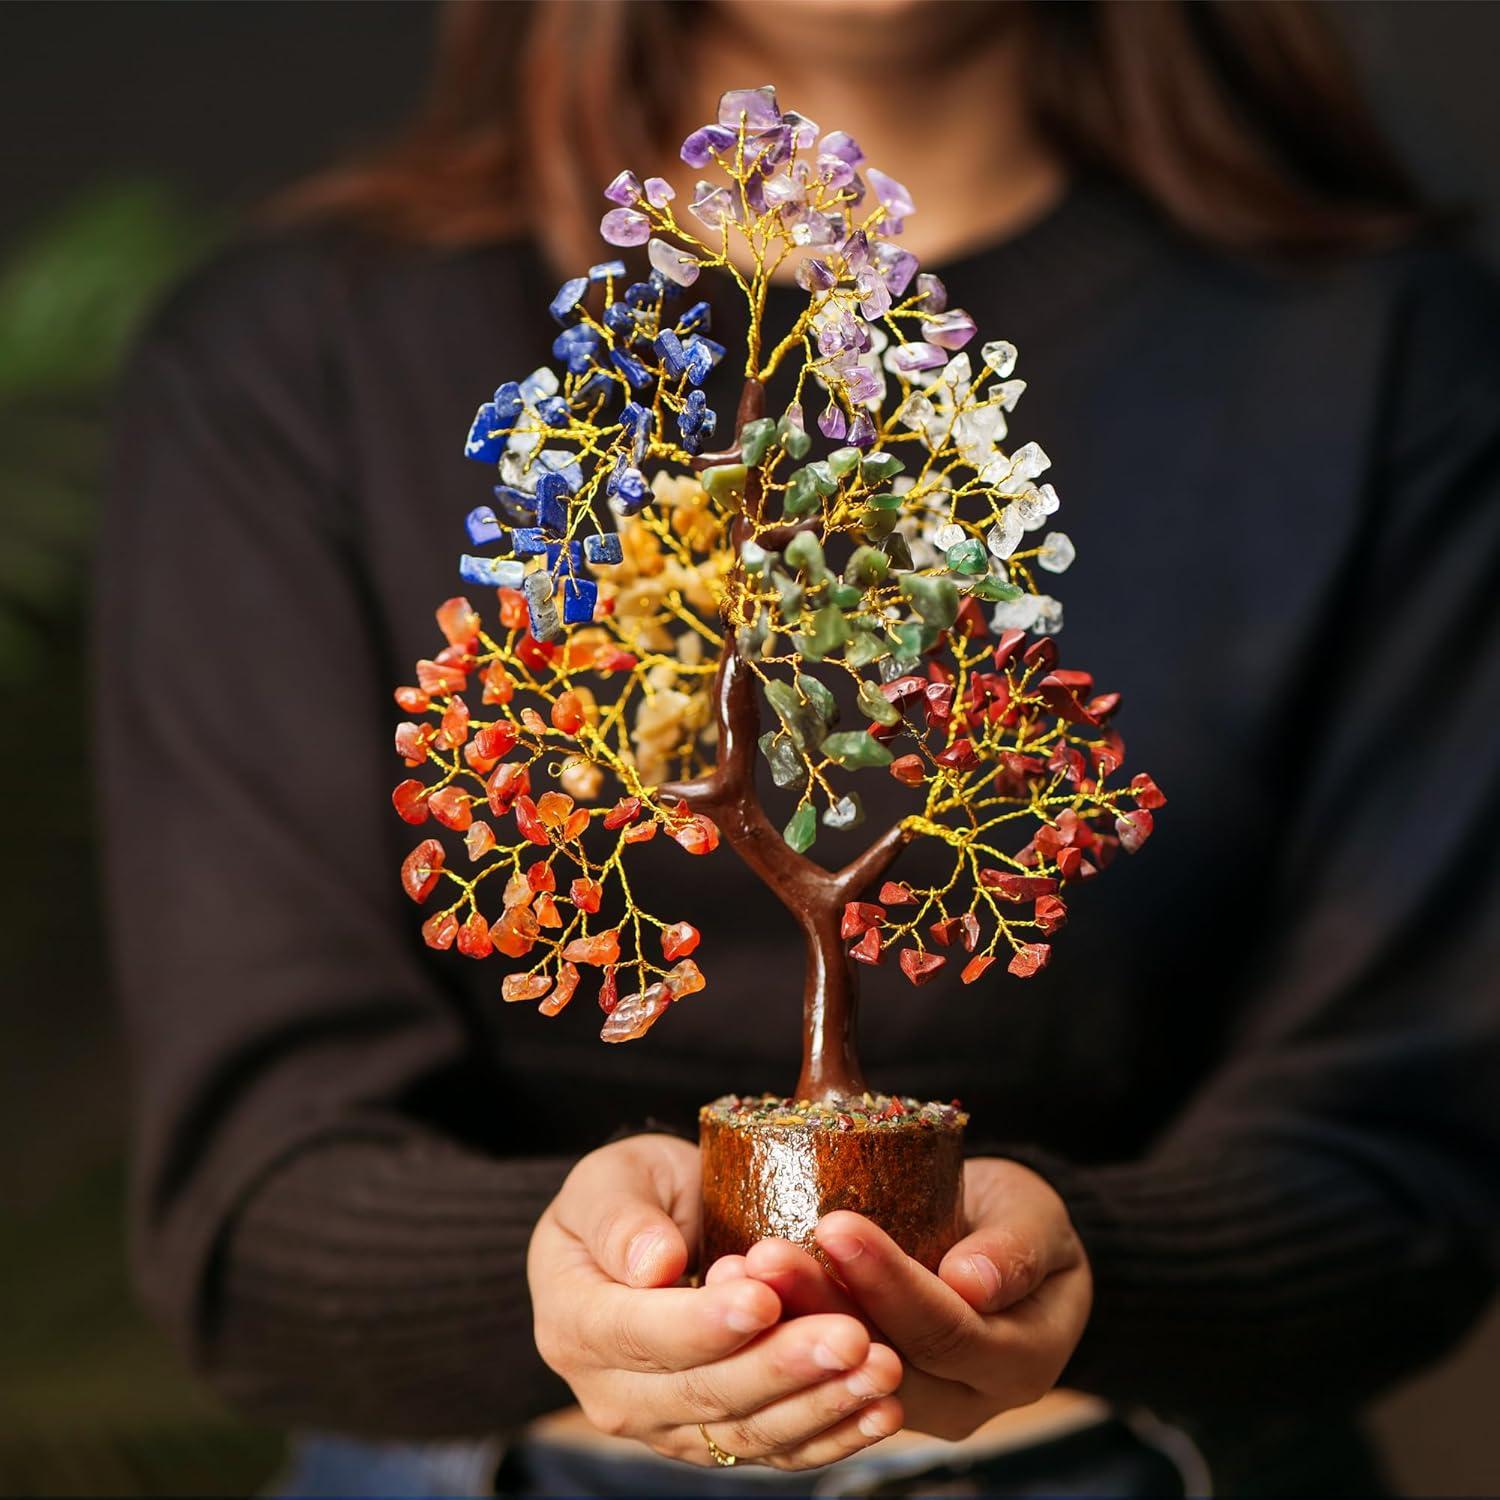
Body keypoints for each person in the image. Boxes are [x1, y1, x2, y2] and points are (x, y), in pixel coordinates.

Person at [97, 1, 1500, 1495]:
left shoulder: (1387, 350)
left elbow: (1408, 1167)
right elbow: (250, 1214)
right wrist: (573, 1271)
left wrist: (1089, 1264)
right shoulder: (298, 353)